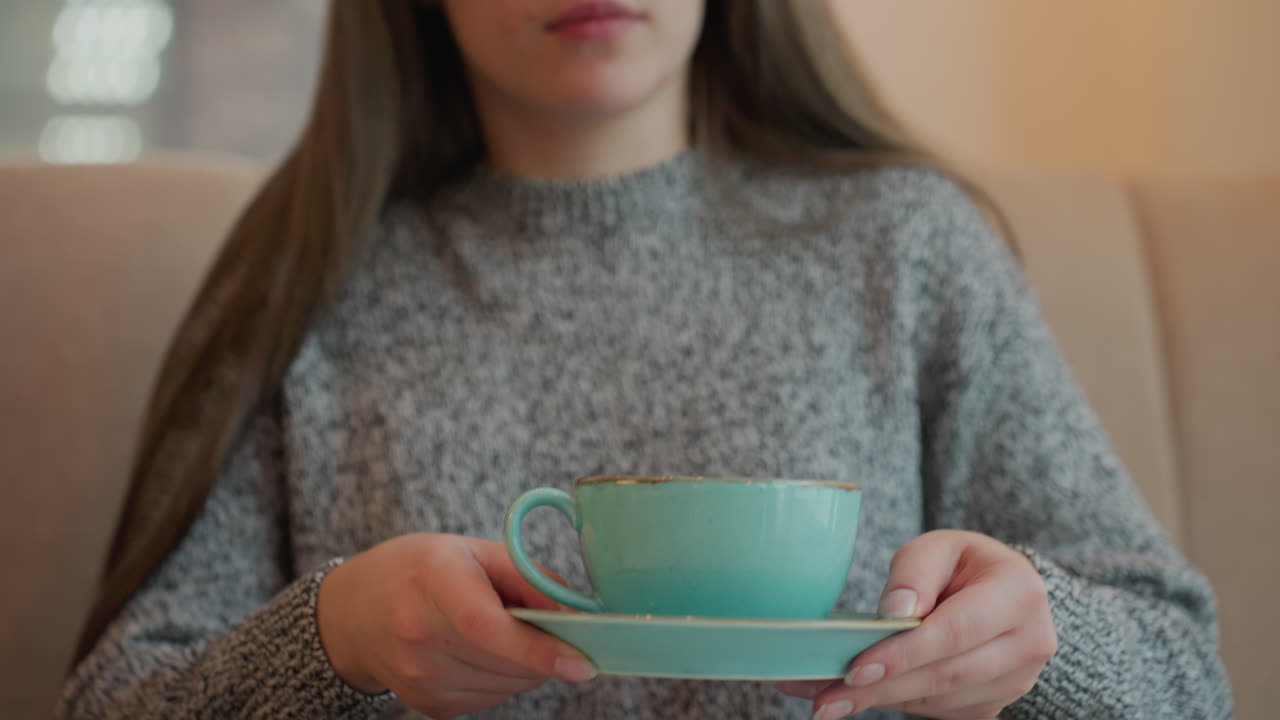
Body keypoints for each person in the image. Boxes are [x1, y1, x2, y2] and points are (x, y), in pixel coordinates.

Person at [60, 1, 1233, 719]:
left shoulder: (910, 249)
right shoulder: (307, 280)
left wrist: (1043, 647)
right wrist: (334, 641)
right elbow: (118, 702)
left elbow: (1188, 678)